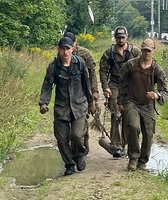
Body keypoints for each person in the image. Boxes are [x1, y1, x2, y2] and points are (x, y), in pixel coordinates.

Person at [39, 37, 96, 176]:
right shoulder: (53, 67)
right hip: (62, 107)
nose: (65, 52)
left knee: (77, 135)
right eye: (62, 49)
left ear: (72, 49)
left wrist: (91, 103)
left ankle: (79, 155)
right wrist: (43, 103)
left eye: (68, 49)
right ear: (58, 50)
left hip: (79, 105)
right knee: (62, 138)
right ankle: (69, 164)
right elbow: (47, 86)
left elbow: (86, 85)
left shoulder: (80, 63)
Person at [117, 38, 168, 171]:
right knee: (133, 127)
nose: (147, 53)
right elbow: (122, 83)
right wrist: (120, 101)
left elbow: (165, 90)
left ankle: (143, 160)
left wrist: (157, 95)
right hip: (132, 101)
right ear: (141, 50)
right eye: (144, 50)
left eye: (149, 51)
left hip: (147, 105)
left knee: (148, 133)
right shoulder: (131, 65)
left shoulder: (156, 69)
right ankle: (133, 158)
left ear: (153, 51)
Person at [99, 26, 141, 158]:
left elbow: (143, 66)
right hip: (115, 84)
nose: (120, 39)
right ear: (115, 38)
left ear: (127, 36)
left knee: (129, 115)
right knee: (116, 114)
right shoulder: (109, 53)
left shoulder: (135, 51)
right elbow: (103, 71)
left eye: (122, 37)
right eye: (118, 37)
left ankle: (127, 143)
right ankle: (116, 145)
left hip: (130, 85)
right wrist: (105, 87)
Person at [63, 32, 99, 156]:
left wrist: (94, 90)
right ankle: (74, 148)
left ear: (75, 42)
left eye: (71, 44)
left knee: (83, 118)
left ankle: (84, 143)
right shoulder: (63, 54)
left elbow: (92, 72)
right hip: (69, 92)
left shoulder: (85, 53)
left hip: (84, 90)